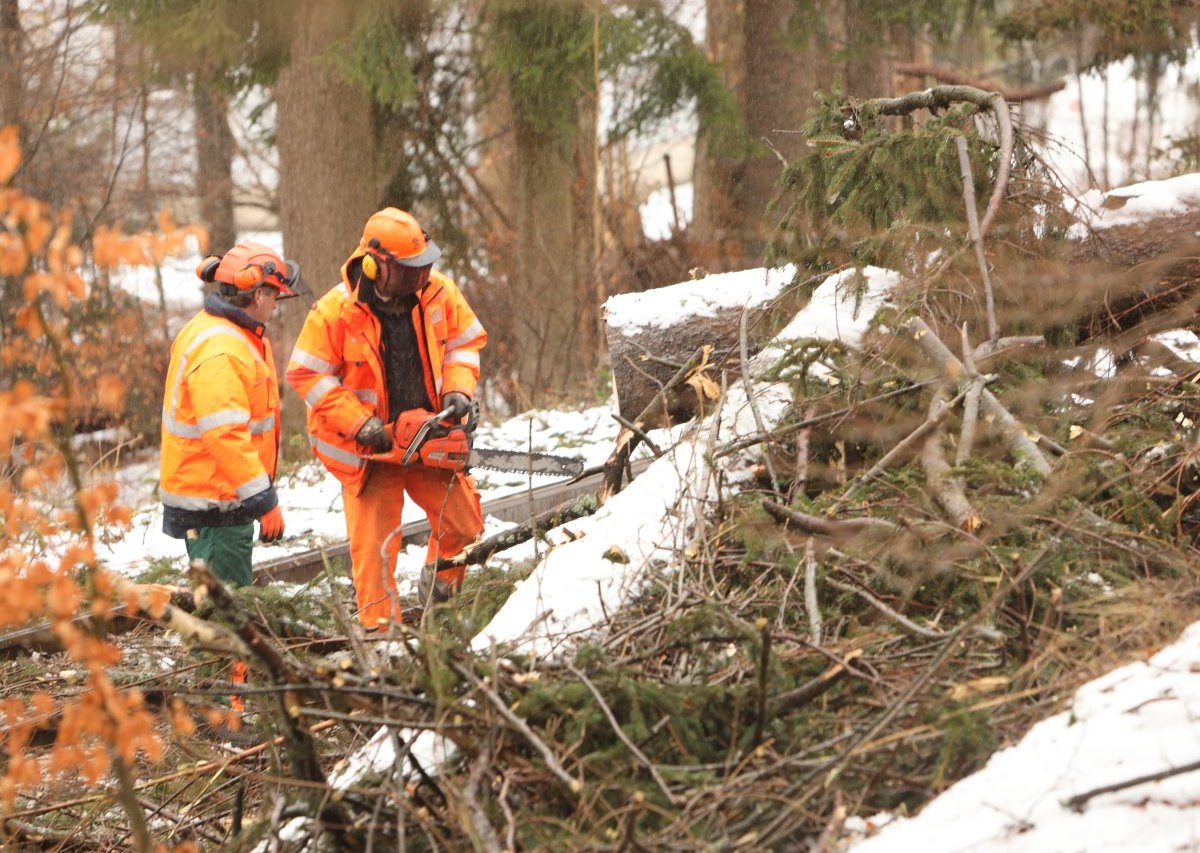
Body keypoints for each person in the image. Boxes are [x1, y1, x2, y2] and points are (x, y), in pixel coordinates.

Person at [286, 207, 486, 630]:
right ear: (376, 266)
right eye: (410, 269)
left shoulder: (439, 293)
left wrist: (458, 388)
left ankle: (441, 591)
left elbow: (465, 343)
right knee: (375, 555)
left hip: (430, 433)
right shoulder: (333, 313)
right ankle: (382, 644)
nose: (421, 276)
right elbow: (306, 373)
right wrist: (360, 423)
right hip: (372, 454)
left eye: (424, 266)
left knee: (464, 524)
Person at [160, 242, 299, 586]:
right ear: (258, 295)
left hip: (222, 495)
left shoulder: (232, 333)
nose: (275, 304)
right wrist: (264, 502)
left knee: (224, 610)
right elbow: (226, 437)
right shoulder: (223, 350)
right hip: (216, 504)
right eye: (274, 295)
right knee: (228, 617)